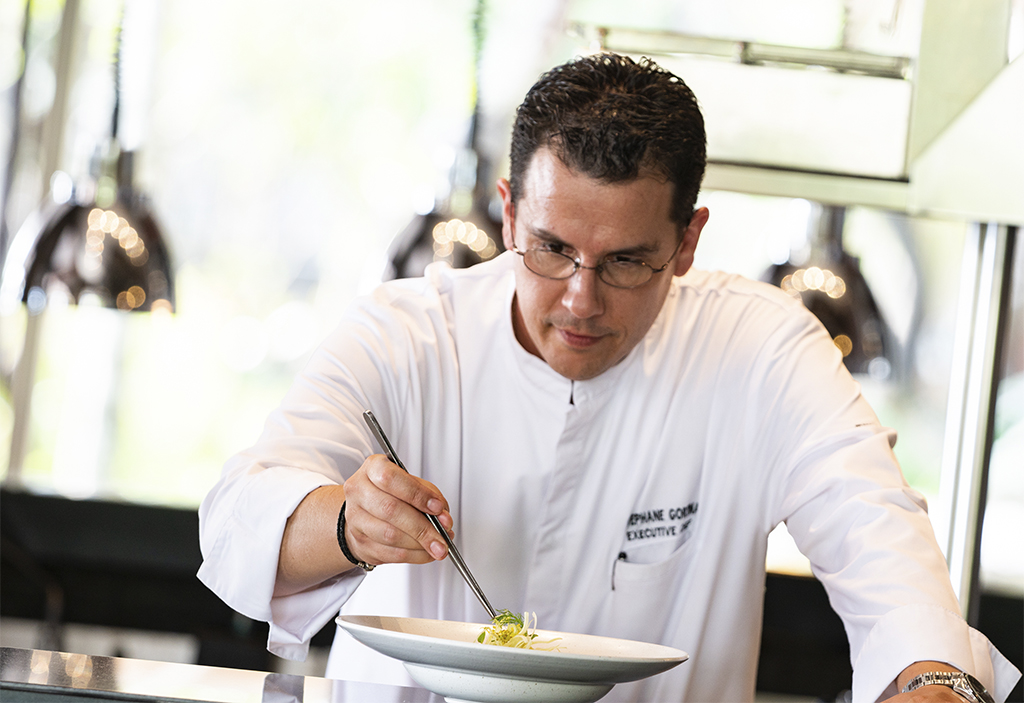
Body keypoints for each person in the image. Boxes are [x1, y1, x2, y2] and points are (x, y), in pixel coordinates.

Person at [198, 52, 1020, 702]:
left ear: (688, 240)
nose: (581, 300)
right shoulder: (409, 333)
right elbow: (238, 519)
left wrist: (934, 680)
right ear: (509, 210)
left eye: (627, 260)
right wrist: (346, 522)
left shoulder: (764, 352)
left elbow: (879, 539)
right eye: (553, 248)